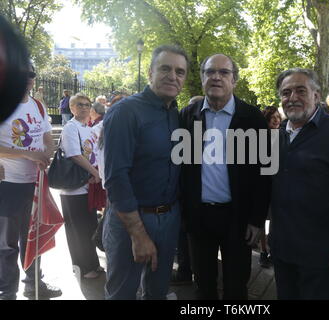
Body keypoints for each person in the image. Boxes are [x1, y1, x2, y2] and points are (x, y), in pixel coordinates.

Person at [179, 54, 270, 299]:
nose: (216, 77)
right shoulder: (187, 116)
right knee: (203, 285)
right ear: (202, 77)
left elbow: (264, 175)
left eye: (224, 72)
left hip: (238, 219)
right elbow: (180, 170)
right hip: (199, 219)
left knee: (236, 286)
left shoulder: (253, 118)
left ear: (234, 80)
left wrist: (257, 219)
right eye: (210, 72)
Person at [270, 68, 329, 300]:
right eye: (286, 92)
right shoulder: (279, 134)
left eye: (300, 91)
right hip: (283, 250)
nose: (292, 97)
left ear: (316, 95)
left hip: (321, 255)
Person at [103, 45, 188, 300]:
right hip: (131, 220)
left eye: (180, 71)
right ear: (150, 72)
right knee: (122, 294)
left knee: (157, 292)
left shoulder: (175, 114)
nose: (173, 76)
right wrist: (138, 233)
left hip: (169, 218)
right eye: (165, 68)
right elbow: (116, 178)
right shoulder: (125, 112)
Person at [0, 63, 62, 300]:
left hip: (35, 183)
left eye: (30, 74)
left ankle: (34, 285)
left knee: (33, 238)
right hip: (9, 184)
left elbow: (46, 134)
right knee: (7, 244)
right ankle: (7, 291)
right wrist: (28, 154)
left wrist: (46, 151)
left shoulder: (37, 105)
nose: (26, 78)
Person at [59, 93, 102, 279]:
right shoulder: (70, 128)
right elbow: (74, 155)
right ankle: (83, 267)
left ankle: (93, 263)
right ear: (72, 108)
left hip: (88, 186)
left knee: (90, 226)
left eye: (87, 104)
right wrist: (94, 173)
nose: (84, 107)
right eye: (80, 104)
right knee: (77, 229)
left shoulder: (89, 128)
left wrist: (95, 174)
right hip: (73, 188)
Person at [171, 95, 204, 286]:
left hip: (191, 199)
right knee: (184, 237)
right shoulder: (182, 131)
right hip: (183, 198)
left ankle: (187, 271)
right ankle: (186, 270)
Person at [258, 106, 281, 268]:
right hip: (262, 182)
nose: (276, 120)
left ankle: (272, 250)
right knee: (260, 219)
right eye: (273, 117)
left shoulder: (283, 135)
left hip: (278, 184)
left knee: (274, 219)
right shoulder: (258, 137)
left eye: (278, 117)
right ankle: (263, 251)